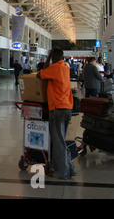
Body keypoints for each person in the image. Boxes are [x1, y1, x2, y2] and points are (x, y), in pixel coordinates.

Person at [37, 47, 76, 179]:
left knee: (58, 142)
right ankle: (70, 167)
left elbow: (40, 74)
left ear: (53, 57)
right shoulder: (65, 66)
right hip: (67, 107)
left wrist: (47, 58)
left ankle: (62, 172)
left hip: (58, 109)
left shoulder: (55, 68)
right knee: (61, 140)